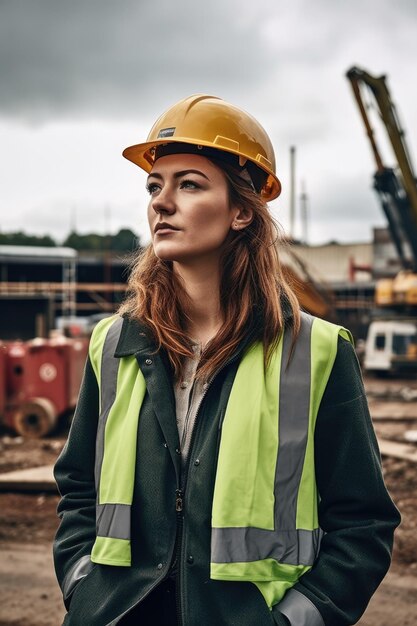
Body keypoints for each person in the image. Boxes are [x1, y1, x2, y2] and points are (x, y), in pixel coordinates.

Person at [53, 94, 400, 626]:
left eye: (188, 184)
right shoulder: (114, 342)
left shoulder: (317, 351)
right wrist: (84, 587)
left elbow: (362, 523)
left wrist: (290, 621)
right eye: (154, 185)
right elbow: (79, 491)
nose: (161, 203)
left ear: (241, 211)